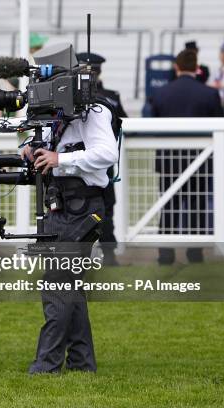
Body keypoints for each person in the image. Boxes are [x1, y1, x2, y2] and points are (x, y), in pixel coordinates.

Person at [20, 44, 119, 374]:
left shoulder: (94, 111)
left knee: (57, 284)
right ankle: (81, 363)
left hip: (82, 208)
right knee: (69, 285)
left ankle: (46, 367)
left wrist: (62, 160)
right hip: (59, 206)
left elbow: (107, 154)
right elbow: (46, 146)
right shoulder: (56, 113)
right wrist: (31, 150)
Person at [150, 49, 224, 265]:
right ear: (197, 68)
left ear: (177, 67)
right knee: (197, 205)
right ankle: (195, 252)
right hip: (200, 159)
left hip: (168, 160)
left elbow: (151, 126)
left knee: (168, 205)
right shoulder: (209, 94)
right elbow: (219, 124)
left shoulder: (161, 93)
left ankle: (166, 253)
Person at [76, 52, 127, 265]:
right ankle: (109, 255)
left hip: (81, 162)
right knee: (106, 209)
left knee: (85, 208)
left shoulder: (102, 97)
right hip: (98, 164)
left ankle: (88, 255)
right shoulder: (110, 97)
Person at [211, 39, 224, 115]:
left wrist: (219, 85)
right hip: (219, 105)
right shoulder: (219, 70)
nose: (219, 55)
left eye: (221, 52)